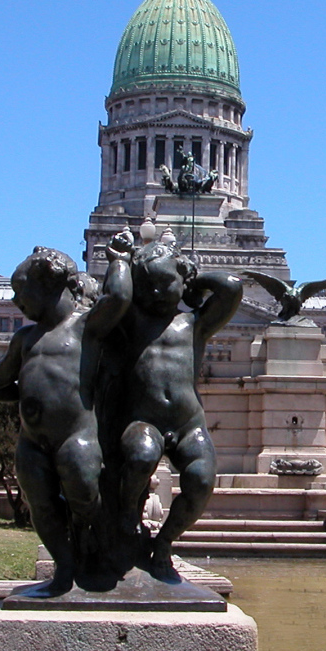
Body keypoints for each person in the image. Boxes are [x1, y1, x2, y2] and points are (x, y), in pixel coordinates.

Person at [0, 233, 133, 592]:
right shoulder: (25, 339)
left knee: (84, 495)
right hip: (31, 442)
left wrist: (119, 259)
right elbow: (4, 381)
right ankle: (63, 567)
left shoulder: (85, 327)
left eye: (21, 292)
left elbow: (119, 297)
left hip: (76, 436)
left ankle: (96, 547)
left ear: (50, 287)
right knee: (41, 506)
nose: (16, 301)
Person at [110, 241, 243, 579]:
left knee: (201, 480)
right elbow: (116, 297)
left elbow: (231, 287)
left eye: (163, 282)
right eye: (148, 285)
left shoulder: (194, 324)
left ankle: (165, 541)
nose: (155, 291)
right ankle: (126, 516)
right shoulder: (130, 320)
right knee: (141, 456)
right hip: (143, 419)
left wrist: (191, 278)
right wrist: (121, 261)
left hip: (187, 423)